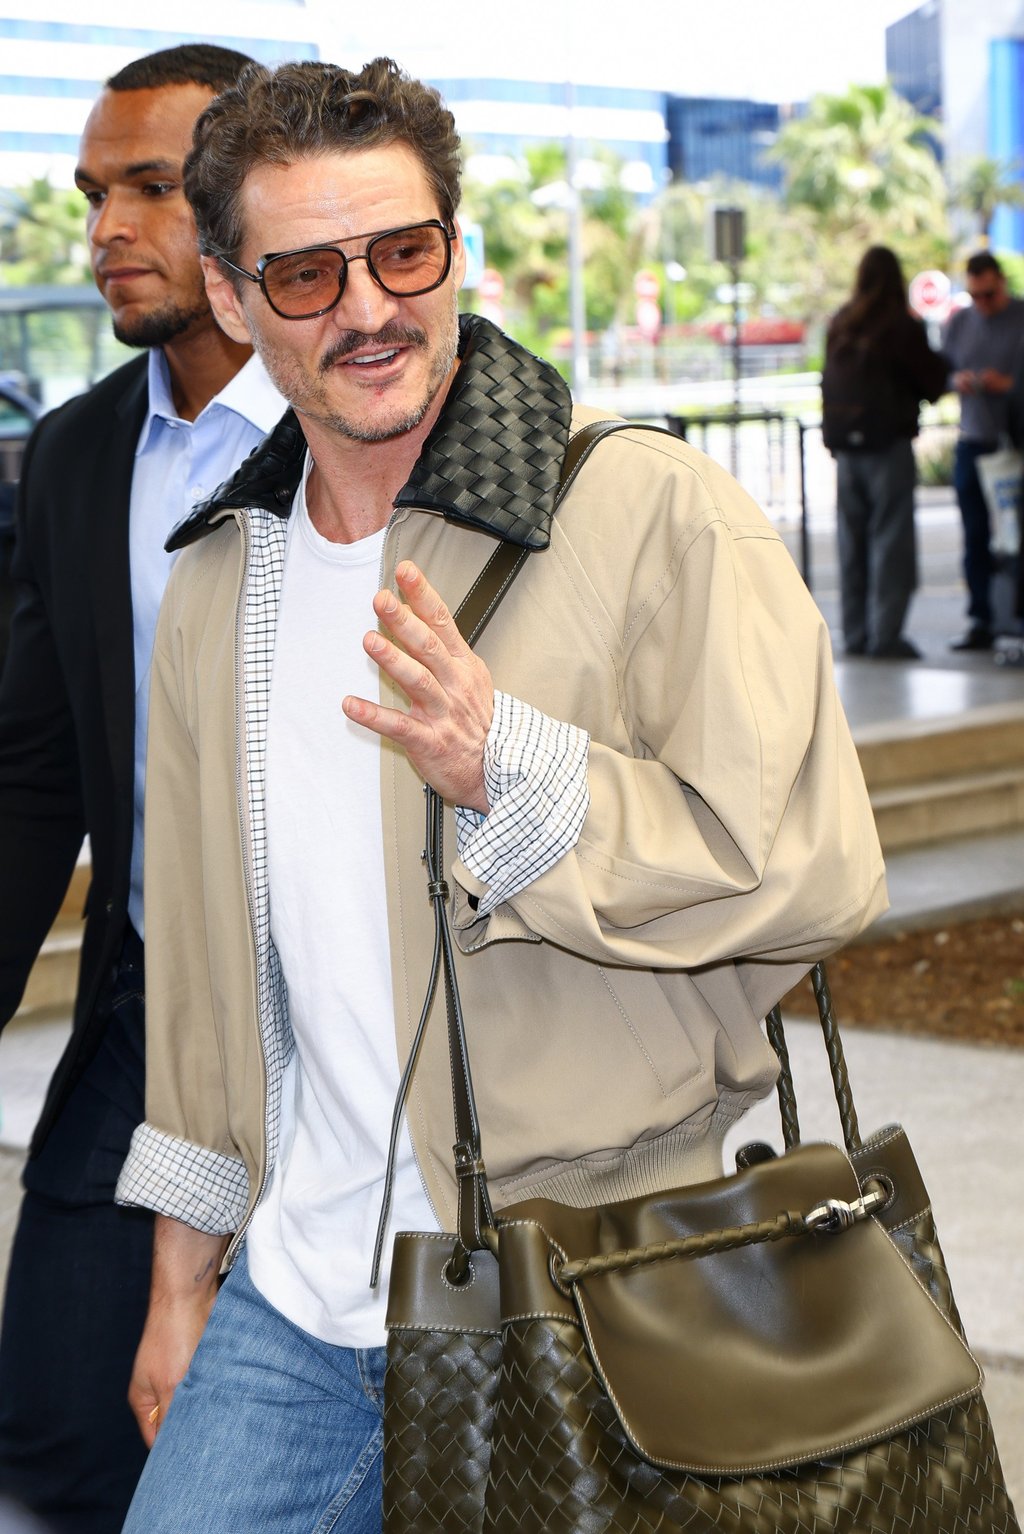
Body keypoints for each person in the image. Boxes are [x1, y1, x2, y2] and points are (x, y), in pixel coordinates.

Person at [115, 58, 887, 1533]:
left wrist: (513, 772)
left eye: (404, 252)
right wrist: (177, 1280)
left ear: (454, 248)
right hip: (297, 1307)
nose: (368, 309)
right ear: (226, 299)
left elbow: (814, 865)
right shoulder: (222, 578)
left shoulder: (649, 508)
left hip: (597, 1277)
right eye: (304, 273)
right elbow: (206, 980)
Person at [0, 44, 283, 1533]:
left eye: (154, 189)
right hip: (144, 1008)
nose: (109, 227)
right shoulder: (73, 454)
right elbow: (35, 775)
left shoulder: (369, 431)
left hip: (355, 1025)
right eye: (96, 194)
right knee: (54, 1431)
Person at [821, 246, 947, 659]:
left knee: (851, 543)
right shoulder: (898, 325)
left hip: (846, 449)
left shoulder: (841, 321)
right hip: (888, 445)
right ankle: (885, 636)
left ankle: (854, 635)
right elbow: (932, 381)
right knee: (890, 542)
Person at [942, 250, 1024, 650]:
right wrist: (957, 380)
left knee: (1016, 535)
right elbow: (941, 369)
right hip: (972, 439)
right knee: (975, 534)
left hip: (1015, 441)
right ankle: (981, 618)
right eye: (975, 296)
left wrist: (1005, 385)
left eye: (988, 294)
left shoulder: (1020, 317)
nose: (982, 304)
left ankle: (1016, 616)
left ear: (1001, 284)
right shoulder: (959, 322)